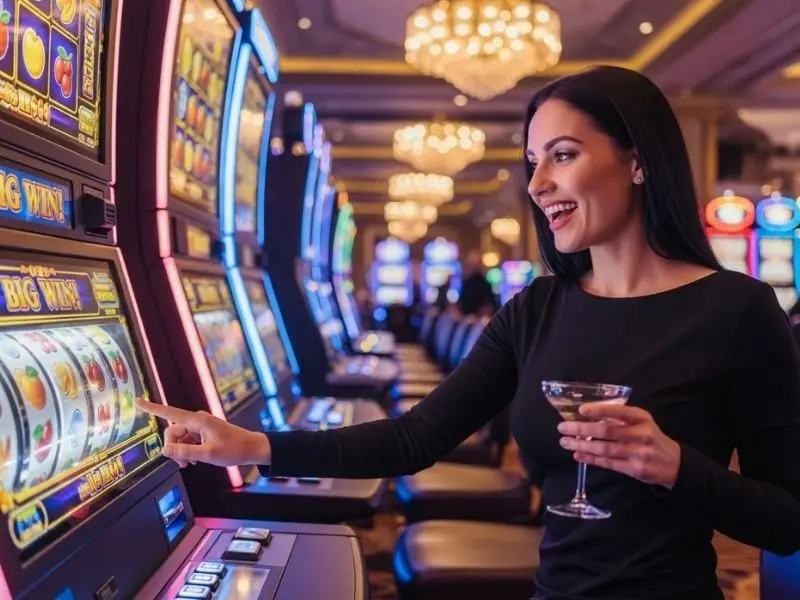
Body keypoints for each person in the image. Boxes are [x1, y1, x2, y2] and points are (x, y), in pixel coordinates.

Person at [138, 65, 800, 600]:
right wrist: (253, 445)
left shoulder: (737, 310)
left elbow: (787, 521)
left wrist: (677, 467)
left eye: (563, 155)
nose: (537, 184)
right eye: (533, 161)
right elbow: (414, 438)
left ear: (638, 161)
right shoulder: (536, 308)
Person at [459, 249, 498, 315]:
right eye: (473, 264)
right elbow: (463, 305)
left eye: (477, 263)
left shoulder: (485, 284)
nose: (475, 266)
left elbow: (491, 305)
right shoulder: (466, 283)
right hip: (469, 318)